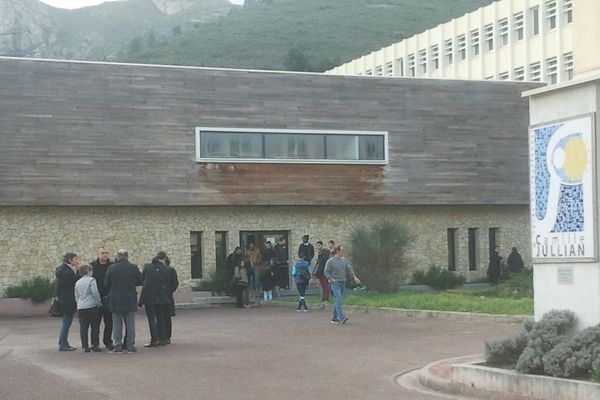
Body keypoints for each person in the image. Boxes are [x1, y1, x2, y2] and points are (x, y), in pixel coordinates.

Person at [105, 249, 142, 354]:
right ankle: (130, 346)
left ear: (118, 256)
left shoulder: (111, 268)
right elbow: (140, 280)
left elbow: (106, 283)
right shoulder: (133, 267)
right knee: (130, 324)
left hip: (116, 299)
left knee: (117, 324)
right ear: (127, 256)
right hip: (130, 298)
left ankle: (118, 346)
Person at [139, 251, 171, 348]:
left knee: (151, 319)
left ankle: (154, 339)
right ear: (164, 258)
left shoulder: (147, 266)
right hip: (161, 296)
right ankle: (163, 338)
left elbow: (142, 279)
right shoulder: (166, 269)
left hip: (149, 296)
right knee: (161, 317)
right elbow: (167, 283)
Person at [324, 246, 360, 324]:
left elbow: (349, 269)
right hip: (335, 283)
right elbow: (326, 272)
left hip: (343, 282)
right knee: (339, 298)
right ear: (337, 251)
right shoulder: (330, 261)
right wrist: (331, 279)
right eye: (342, 250)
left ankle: (334, 318)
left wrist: (354, 277)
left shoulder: (344, 260)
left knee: (338, 300)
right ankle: (342, 317)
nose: (343, 252)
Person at [74, 264, 103, 353]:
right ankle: (95, 344)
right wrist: (99, 302)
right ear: (88, 271)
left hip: (81, 306)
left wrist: (78, 303)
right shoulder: (91, 280)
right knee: (94, 326)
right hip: (91, 305)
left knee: (83, 327)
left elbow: (76, 295)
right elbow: (95, 292)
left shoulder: (77, 282)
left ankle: (85, 346)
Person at [55, 252, 80, 351]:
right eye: (75, 259)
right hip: (68, 300)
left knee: (66, 321)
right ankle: (63, 343)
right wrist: (78, 270)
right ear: (70, 260)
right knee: (67, 322)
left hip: (63, 299)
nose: (77, 261)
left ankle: (63, 342)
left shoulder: (61, 270)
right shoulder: (68, 272)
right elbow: (75, 283)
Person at [91, 247, 113, 350]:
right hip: (96, 299)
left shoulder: (112, 266)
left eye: (106, 253)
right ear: (98, 254)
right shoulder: (92, 267)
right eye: (102, 253)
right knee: (95, 322)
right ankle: (95, 343)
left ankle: (108, 341)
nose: (104, 255)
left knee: (109, 322)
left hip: (108, 297)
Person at [164, 256, 179, 344]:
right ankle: (162, 335)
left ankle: (167, 336)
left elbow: (175, 283)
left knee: (167, 317)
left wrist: (169, 291)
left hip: (168, 297)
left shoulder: (171, 270)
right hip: (161, 296)